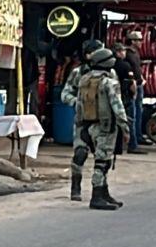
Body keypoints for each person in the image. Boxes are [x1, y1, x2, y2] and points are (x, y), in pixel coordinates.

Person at [74, 47, 129, 211]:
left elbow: (78, 105)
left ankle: (104, 194)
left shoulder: (84, 80)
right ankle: (97, 196)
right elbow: (118, 107)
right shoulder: (109, 82)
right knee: (102, 163)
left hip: (87, 126)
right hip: (105, 127)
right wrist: (125, 128)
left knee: (102, 160)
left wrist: (80, 127)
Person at [59, 39, 105, 201]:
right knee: (80, 154)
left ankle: (100, 191)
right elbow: (65, 94)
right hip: (83, 122)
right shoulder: (78, 73)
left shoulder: (109, 73)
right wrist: (78, 103)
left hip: (102, 123)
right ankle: (75, 187)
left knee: (103, 158)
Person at [125, 32, 146, 153]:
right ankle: (133, 141)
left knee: (138, 111)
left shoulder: (135, 53)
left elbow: (137, 68)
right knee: (132, 113)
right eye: (139, 40)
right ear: (132, 41)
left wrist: (141, 78)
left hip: (138, 84)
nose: (141, 42)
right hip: (133, 86)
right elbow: (129, 70)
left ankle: (138, 135)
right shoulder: (128, 54)